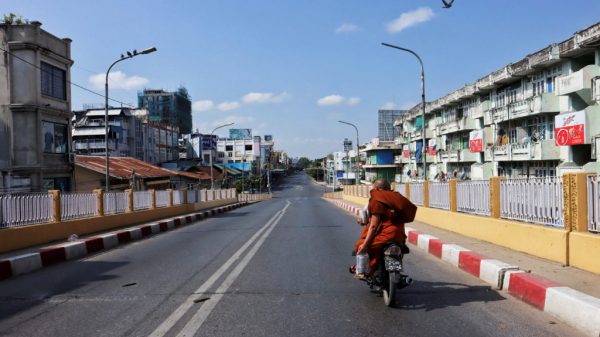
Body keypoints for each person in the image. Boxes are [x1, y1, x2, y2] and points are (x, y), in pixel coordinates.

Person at [353, 178, 416, 279]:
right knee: (401, 247)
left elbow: (373, 226)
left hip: (386, 234)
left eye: (373, 187)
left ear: (377, 188)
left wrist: (365, 245)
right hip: (399, 234)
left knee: (360, 245)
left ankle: (367, 270)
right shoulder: (396, 197)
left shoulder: (377, 200)